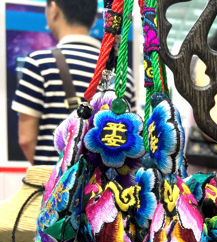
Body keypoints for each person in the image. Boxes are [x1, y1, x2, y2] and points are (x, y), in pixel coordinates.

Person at [12, 0, 136, 166]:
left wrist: (57, 172)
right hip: (102, 180)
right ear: (93, 19)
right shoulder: (123, 74)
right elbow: (131, 136)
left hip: (51, 177)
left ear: (53, 9)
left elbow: (26, 139)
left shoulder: (38, 63)